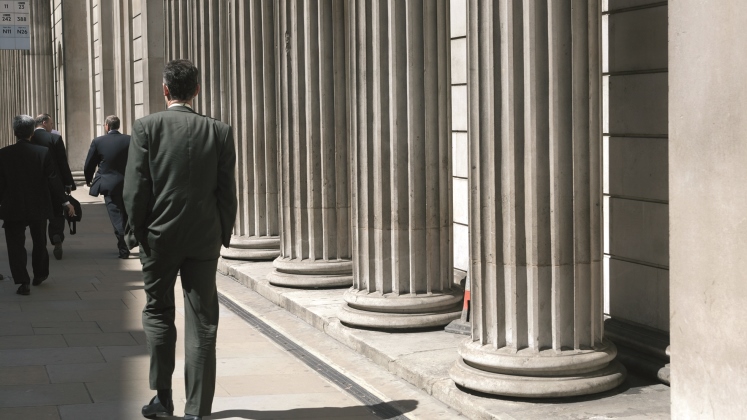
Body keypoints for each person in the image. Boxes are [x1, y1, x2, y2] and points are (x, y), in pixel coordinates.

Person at [123, 59, 237, 420]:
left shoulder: (146, 127)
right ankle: (197, 411)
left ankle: (162, 397)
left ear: (165, 90)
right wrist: (223, 233)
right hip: (204, 239)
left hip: (160, 238)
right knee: (203, 321)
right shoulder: (219, 131)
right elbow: (226, 192)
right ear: (197, 90)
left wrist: (137, 233)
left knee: (157, 311)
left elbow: (136, 190)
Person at [0, 115, 74, 295]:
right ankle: (40, 274)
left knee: (15, 245)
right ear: (32, 132)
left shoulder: (3, 154)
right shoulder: (42, 152)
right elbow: (53, 180)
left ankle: (22, 282)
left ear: (14, 132)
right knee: (39, 241)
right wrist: (65, 201)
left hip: (13, 206)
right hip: (38, 204)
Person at [84, 115, 131, 259]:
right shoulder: (129, 139)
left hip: (109, 185)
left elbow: (89, 164)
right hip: (129, 184)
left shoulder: (98, 141)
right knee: (126, 214)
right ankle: (129, 241)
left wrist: (88, 180)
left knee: (116, 216)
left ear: (107, 126)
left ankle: (123, 246)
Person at [31, 113, 75, 260]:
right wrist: (68, 183)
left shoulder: (29, 138)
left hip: (35, 185)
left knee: (39, 215)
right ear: (44, 123)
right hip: (55, 183)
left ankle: (40, 245)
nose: (52, 126)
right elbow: (63, 163)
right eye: (51, 123)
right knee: (57, 212)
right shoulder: (54, 138)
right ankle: (56, 234)